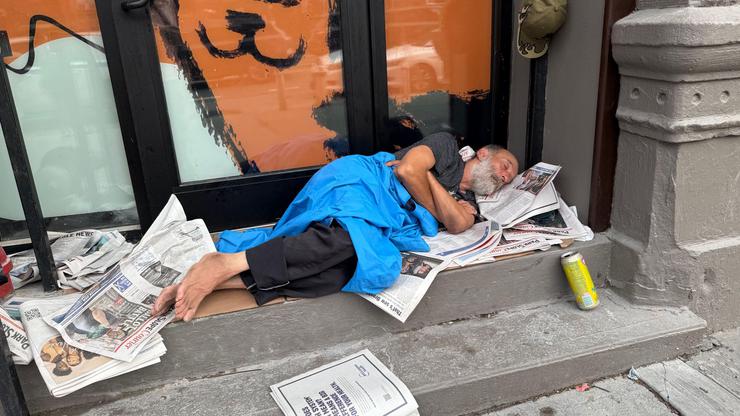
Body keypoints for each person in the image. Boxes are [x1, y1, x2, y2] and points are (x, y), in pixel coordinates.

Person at [153, 132, 518, 321]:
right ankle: (228, 264)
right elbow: (405, 170)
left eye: (509, 178)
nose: (504, 176)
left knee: (359, 269)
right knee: (346, 242)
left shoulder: (469, 204)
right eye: (504, 165)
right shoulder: (446, 147)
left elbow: (455, 224)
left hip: (384, 218)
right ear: (482, 153)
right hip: (363, 182)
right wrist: (437, 195)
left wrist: (433, 184)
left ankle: (223, 275)